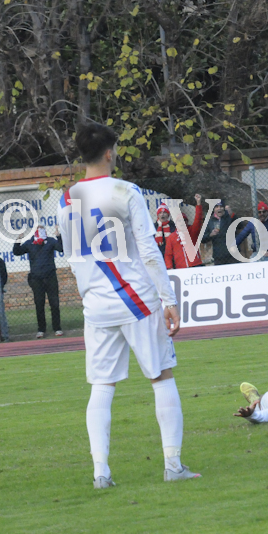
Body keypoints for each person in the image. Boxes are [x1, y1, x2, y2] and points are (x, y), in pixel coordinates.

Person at [58, 121, 199, 489]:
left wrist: (90, 295)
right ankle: (173, 465)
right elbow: (149, 250)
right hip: (136, 299)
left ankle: (100, 473)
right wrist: (168, 298)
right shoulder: (125, 190)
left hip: (97, 305)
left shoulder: (66, 199)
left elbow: (73, 257)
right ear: (110, 153)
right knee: (161, 377)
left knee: (102, 386)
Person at [13, 224, 64, 338]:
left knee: (54, 303)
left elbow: (61, 249)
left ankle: (57, 328)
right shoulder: (30, 243)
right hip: (36, 278)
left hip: (50, 277)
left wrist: (58, 236)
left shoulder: (50, 241)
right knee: (39, 304)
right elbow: (17, 252)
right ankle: (41, 329)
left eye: (42, 229)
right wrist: (18, 239)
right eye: (37, 230)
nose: (40, 231)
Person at [163, 195, 206, 269]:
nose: (182, 222)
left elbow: (198, 219)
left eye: (184, 220)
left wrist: (198, 204)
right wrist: (169, 267)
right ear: (176, 223)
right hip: (181, 267)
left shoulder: (192, 231)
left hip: (195, 265)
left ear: (187, 222)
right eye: (180, 221)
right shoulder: (171, 237)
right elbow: (168, 254)